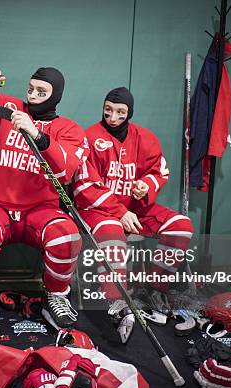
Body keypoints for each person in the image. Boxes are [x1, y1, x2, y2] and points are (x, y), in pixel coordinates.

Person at [0, 65, 86, 335]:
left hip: (40, 208)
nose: (33, 95)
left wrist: (38, 135)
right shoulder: (8, 108)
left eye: (41, 91)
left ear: (56, 95)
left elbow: (65, 171)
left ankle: (55, 296)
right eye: (30, 89)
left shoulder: (69, 129)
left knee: (66, 237)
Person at [73, 87, 194, 343]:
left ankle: (154, 289)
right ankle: (118, 303)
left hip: (134, 208)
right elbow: (85, 185)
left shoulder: (145, 138)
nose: (113, 116)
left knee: (180, 225)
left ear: (129, 112)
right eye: (108, 110)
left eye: (120, 112)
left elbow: (159, 170)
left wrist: (146, 186)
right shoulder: (89, 137)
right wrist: (119, 211)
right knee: (112, 229)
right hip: (97, 210)